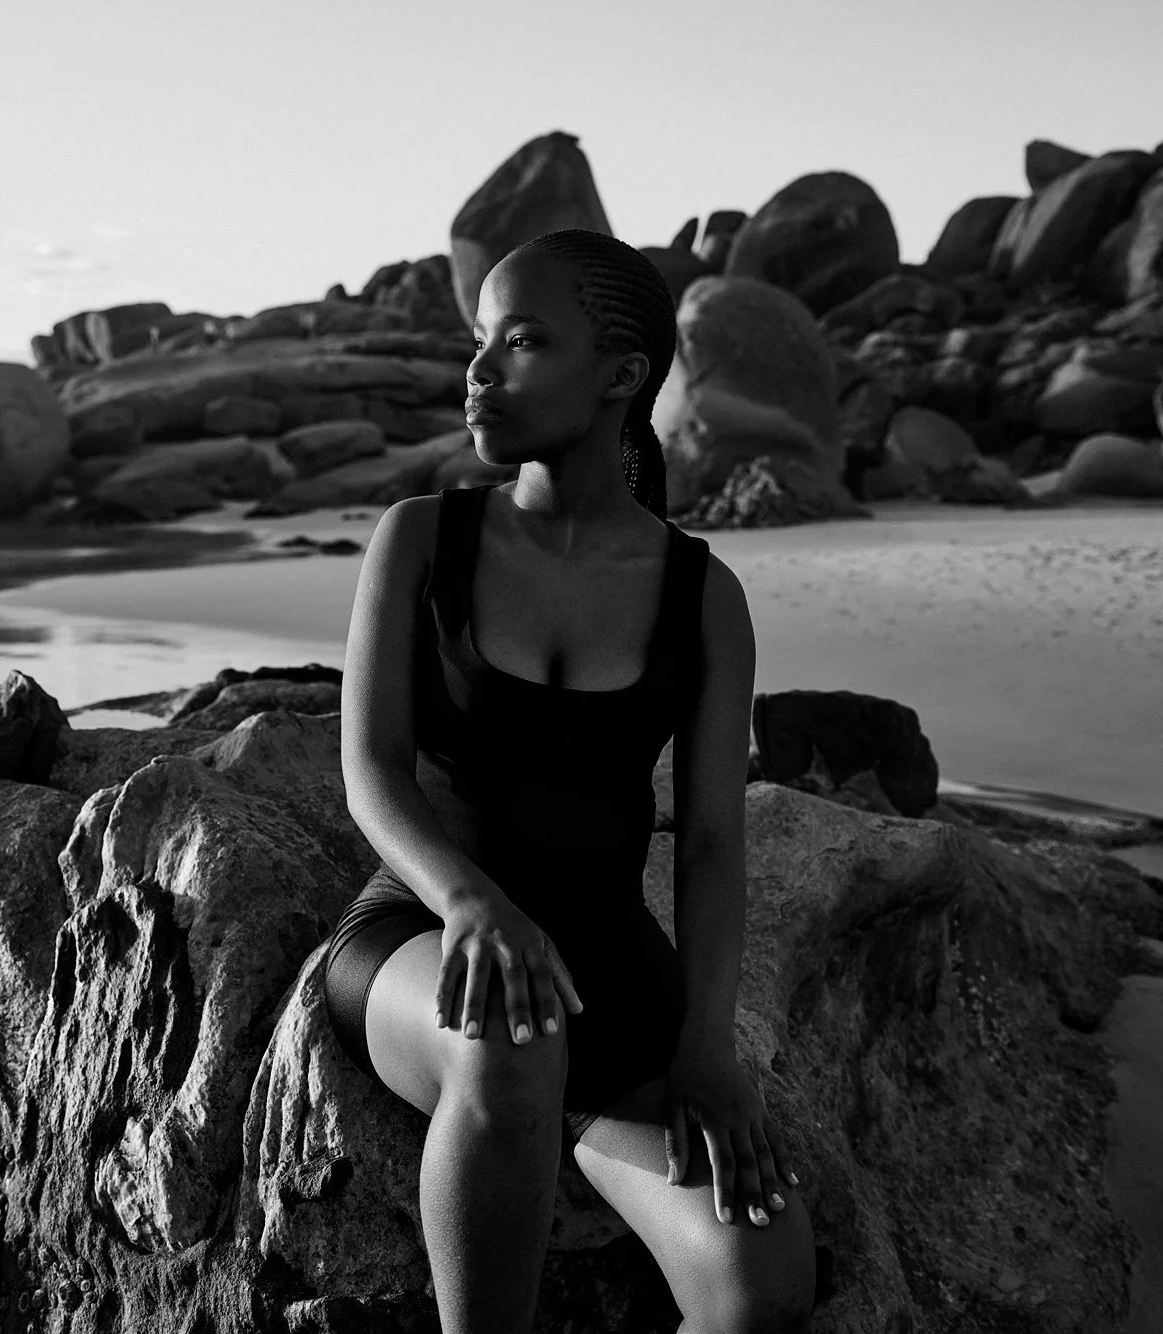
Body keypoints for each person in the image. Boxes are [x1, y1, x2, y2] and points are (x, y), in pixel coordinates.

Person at [319, 228, 816, 1332]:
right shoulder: (421, 540)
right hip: (421, 935)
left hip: (608, 977)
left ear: (620, 374)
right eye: (480, 339)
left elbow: (711, 842)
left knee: (759, 1281)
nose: (479, 369)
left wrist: (705, 1046)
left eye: (524, 340)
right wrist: (470, 901)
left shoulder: (702, 596)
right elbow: (370, 771)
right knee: (510, 1042)